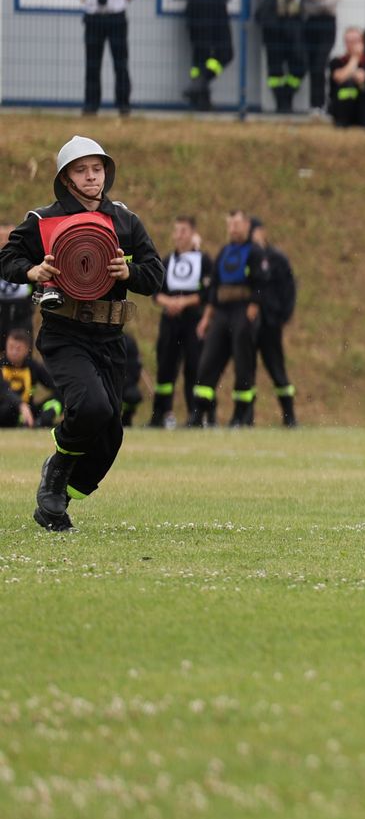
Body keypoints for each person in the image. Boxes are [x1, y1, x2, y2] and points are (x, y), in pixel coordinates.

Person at [0, 136, 165, 531]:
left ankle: (58, 499)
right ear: (66, 178)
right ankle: (56, 471)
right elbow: (8, 258)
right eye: (82, 170)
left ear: (106, 171)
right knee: (91, 407)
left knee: (110, 438)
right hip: (65, 334)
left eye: (98, 168)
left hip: (111, 338)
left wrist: (131, 273)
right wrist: (31, 271)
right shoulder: (42, 221)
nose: (92, 177)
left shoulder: (126, 220)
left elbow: (155, 273)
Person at [55, 0, 153, 118]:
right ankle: (91, 105)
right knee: (92, 63)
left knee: (120, 62)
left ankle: (123, 105)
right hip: (93, 18)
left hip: (116, 17)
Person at [192, 209, 265, 427]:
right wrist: (207, 318)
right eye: (230, 224)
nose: (232, 229)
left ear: (247, 225)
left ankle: (242, 415)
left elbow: (261, 283)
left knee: (244, 364)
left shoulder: (254, 252)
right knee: (208, 361)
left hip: (242, 312)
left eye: (237, 224)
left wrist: (253, 307)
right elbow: (214, 288)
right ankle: (199, 413)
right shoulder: (224, 252)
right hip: (222, 313)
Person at [148, 214, 211, 428]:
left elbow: (207, 291)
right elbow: (156, 292)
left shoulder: (203, 260)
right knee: (165, 367)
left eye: (183, 231)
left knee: (193, 367)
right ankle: (160, 414)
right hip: (170, 322)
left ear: (193, 233)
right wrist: (170, 303)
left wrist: (184, 302)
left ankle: (195, 416)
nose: (179, 235)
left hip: (193, 320)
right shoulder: (167, 261)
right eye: (176, 231)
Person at [254, 0, 311, 115]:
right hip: (273, 20)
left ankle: (289, 93)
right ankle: (280, 102)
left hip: (294, 19)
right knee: (275, 61)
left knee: (299, 61)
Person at [249, 218, 298, 427]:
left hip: (270, 323)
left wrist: (282, 317)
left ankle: (289, 415)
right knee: (247, 371)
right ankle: (245, 417)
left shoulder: (277, 258)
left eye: (255, 231)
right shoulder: (247, 257)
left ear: (263, 232)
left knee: (277, 369)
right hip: (250, 323)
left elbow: (289, 289)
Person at [301, 0, 342, 117]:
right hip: (310, 25)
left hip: (327, 24)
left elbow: (330, 3)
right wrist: (317, 0)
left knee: (320, 63)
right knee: (312, 66)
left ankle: (323, 103)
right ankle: (314, 105)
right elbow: (304, 5)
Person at [0, 327, 58, 429]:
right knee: (8, 408)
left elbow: (55, 385)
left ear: (27, 349)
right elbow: (4, 390)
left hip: (28, 411)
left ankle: (39, 422)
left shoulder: (33, 367)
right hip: (5, 410)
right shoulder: (1, 366)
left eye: (18, 348)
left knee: (58, 400)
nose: (14, 352)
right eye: (11, 347)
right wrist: (20, 405)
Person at [327, 27, 365, 129]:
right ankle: (342, 123)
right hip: (343, 109)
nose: (352, 45)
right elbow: (339, 77)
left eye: (355, 41)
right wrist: (355, 58)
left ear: (362, 42)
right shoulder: (337, 61)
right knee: (348, 85)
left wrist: (364, 77)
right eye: (349, 42)